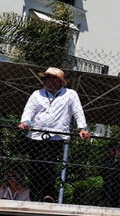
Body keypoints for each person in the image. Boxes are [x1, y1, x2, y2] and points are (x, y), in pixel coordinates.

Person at [17, 67, 89, 202]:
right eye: (46, 78)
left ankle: (48, 194)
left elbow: (78, 112)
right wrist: (25, 123)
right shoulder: (37, 94)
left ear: (60, 81)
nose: (48, 81)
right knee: (35, 167)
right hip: (36, 135)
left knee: (49, 164)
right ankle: (36, 195)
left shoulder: (70, 94)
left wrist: (82, 128)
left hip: (57, 136)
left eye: (52, 78)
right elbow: (29, 112)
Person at [99, 139, 120, 208]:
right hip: (110, 184)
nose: (119, 151)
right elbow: (104, 171)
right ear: (111, 150)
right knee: (108, 200)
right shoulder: (107, 160)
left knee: (117, 201)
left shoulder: (118, 162)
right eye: (117, 149)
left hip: (117, 185)